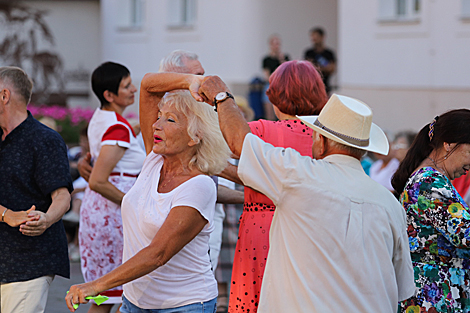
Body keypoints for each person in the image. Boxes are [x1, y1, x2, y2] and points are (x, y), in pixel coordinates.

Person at [189, 75, 415, 312]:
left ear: (320, 140)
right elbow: (402, 287)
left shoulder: (298, 175)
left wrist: (222, 96)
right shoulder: (390, 204)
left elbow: (239, 143)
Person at [65, 72, 231, 313]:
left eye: (170, 120)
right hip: (135, 302)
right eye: (160, 116)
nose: (156, 124)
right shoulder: (155, 159)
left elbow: (158, 253)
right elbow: (148, 86)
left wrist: (96, 286)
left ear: (195, 136)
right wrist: (190, 82)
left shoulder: (199, 185)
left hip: (184, 305)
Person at [219, 60, 327, 312]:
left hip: (261, 230)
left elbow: (210, 153)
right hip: (309, 228)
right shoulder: (324, 137)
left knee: (254, 301)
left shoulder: (259, 131)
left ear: (276, 97)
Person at [0, 66, 73, 313]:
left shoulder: (45, 140)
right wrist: (6, 214)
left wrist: (47, 219)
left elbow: (62, 196)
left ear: (4, 95)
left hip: (27, 262)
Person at [79, 62, 146, 310]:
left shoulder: (103, 119)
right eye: (127, 86)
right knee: (112, 296)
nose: (134, 89)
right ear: (109, 95)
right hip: (112, 217)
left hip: (101, 214)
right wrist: (133, 205)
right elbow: (98, 180)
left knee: (107, 296)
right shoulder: (117, 128)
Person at [392, 110, 470, 312]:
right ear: (449, 144)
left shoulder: (430, 180)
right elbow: (466, 234)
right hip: (433, 297)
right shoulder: (429, 183)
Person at [304, 27, 336, 94]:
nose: (314, 39)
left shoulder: (329, 53)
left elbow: (331, 69)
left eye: (316, 37)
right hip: (312, 87)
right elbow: (306, 69)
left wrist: (315, 67)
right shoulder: (309, 53)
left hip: (325, 87)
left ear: (322, 37)